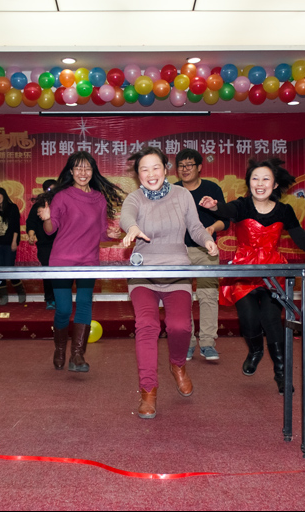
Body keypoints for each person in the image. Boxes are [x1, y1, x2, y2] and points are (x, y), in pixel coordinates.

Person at [200, 158, 305, 395]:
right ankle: (255, 350)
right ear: (249, 183)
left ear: (274, 184)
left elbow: (297, 232)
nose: (260, 183)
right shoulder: (242, 205)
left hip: (272, 272)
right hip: (245, 271)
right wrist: (213, 207)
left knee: (271, 319)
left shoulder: (284, 210)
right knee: (249, 320)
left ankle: (281, 374)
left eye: (266, 179)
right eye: (255, 178)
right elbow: (226, 210)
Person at [120, 147, 219, 419]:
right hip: (144, 275)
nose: (151, 173)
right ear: (138, 175)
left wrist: (207, 240)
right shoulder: (134, 198)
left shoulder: (182, 195)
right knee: (147, 326)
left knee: (180, 326)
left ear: (165, 169)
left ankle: (177, 365)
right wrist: (132, 227)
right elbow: (127, 217)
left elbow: (195, 227)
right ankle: (148, 391)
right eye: (144, 169)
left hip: (177, 272)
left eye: (156, 167)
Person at [37, 151, 124, 372]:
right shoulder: (62, 196)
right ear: (71, 171)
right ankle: (59, 349)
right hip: (62, 260)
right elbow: (50, 230)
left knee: (85, 304)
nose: (83, 172)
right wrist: (46, 218)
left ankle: (77, 355)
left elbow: (101, 232)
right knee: (64, 309)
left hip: (88, 260)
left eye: (87, 168)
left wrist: (111, 234)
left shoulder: (99, 198)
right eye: (78, 168)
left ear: (93, 171)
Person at [174, 148, 229, 362]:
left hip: (207, 250)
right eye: (181, 165)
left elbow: (225, 220)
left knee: (208, 296)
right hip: (179, 251)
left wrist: (212, 228)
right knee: (181, 298)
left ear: (199, 167)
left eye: (189, 165)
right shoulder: (172, 190)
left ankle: (207, 343)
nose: (185, 169)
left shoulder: (212, 188)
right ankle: (187, 343)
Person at [26, 179, 58, 310]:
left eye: (54, 188)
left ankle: (61, 298)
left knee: (61, 273)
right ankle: (50, 299)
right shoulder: (38, 205)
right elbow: (31, 222)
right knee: (48, 272)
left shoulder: (62, 203)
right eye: (49, 189)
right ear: (44, 190)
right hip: (45, 244)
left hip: (61, 244)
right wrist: (31, 234)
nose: (52, 191)